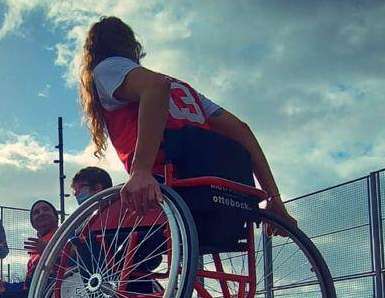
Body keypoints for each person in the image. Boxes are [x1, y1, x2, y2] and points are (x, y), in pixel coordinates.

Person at [78, 16, 296, 227]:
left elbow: (155, 87)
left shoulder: (108, 69)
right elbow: (241, 129)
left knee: (90, 239)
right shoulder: (182, 88)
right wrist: (274, 197)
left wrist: (140, 171)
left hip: (168, 187)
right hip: (214, 193)